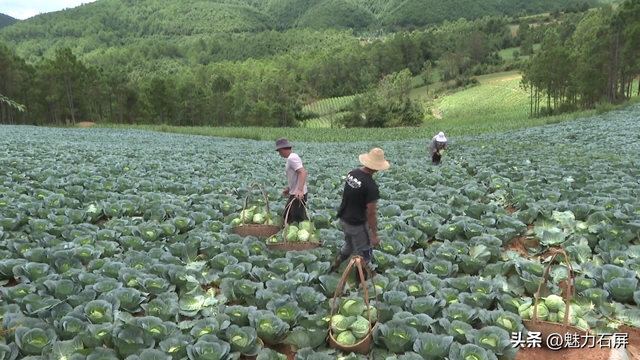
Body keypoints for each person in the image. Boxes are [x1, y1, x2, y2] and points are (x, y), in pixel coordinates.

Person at [330, 147, 390, 281]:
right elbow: (371, 213)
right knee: (365, 254)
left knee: (349, 245)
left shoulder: (352, 174)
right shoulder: (371, 186)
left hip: (344, 217)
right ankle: (360, 284)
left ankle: (336, 264)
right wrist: (374, 234)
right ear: (378, 167)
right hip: (357, 223)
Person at [275, 138, 308, 224]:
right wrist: (289, 188)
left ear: (282, 149)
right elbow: (295, 176)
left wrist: (300, 190)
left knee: (296, 220)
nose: (279, 154)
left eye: (279, 151)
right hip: (294, 193)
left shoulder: (291, 158)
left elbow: (303, 173)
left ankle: (294, 237)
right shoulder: (293, 157)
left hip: (298, 195)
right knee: (287, 216)